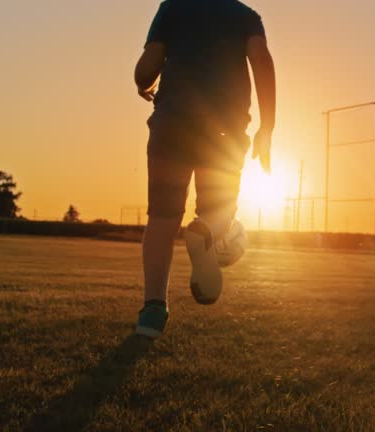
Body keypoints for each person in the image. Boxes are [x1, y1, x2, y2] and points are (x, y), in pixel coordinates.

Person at [133, 0, 276, 338]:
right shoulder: (245, 16)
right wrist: (267, 127)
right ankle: (207, 230)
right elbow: (262, 62)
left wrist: (143, 83)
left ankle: (152, 311)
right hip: (223, 131)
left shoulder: (172, 8)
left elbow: (146, 68)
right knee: (219, 210)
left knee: (163, 219)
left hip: (172, 126)